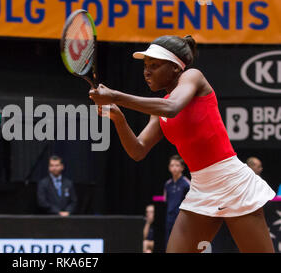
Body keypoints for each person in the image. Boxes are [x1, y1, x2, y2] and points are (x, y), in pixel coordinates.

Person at [89, 35, 276, 252]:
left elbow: (173, 107)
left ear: (176, 68)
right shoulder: (159, 110)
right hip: (201, 188)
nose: (147, 72)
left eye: (155, 65)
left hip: (233, 183)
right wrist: (119, 118)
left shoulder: (193, 77)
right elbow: (137, 150)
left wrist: (115, 95)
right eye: (145, 66)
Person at [163, 155, 190, 245]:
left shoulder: (187, 184)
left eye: (177, 165)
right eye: (172, 165)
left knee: (181, 241)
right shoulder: (167, 184)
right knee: (169, 241)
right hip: (170, 216)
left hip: (181, 218)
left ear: (182, 168)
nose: (174, 168)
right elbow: (165, 200)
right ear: (169, 168)